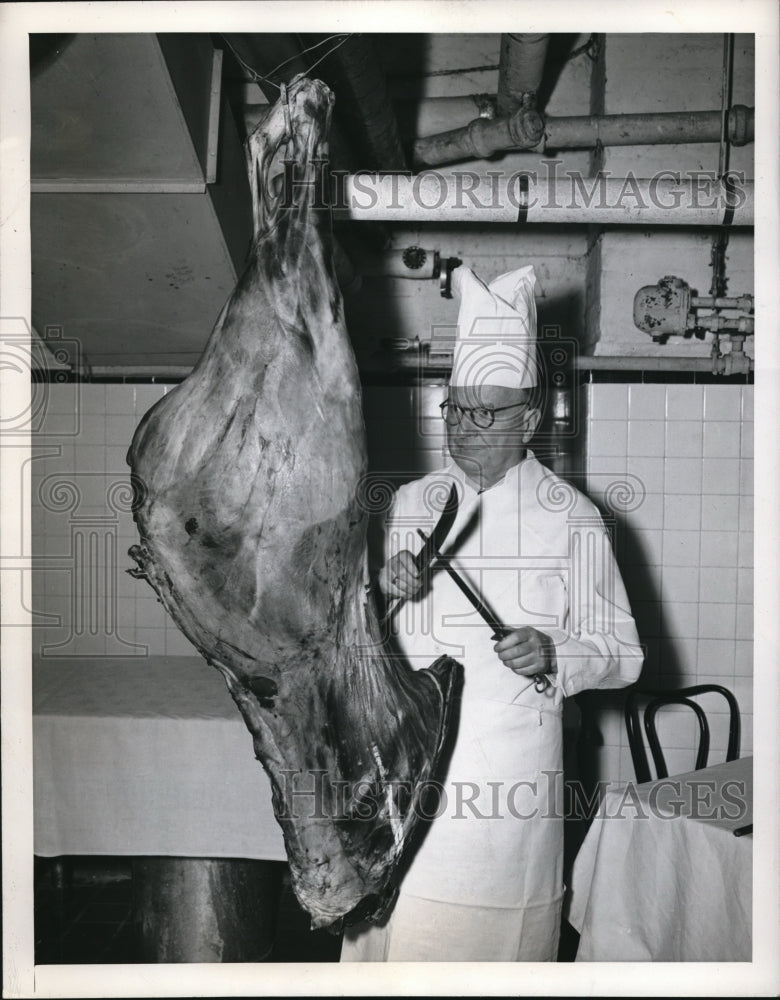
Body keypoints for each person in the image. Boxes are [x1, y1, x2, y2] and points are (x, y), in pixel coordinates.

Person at [340, 264, 643, 962]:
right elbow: (356, 639)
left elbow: (624, 654)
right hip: (405, 776)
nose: (464, 428)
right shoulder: (411, 503)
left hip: (505, 789)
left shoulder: (573, 519)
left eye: (486, 413)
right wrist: (384, 591)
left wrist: (556, 653)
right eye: (455, 408)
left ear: (529, 418)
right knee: (396, 947)